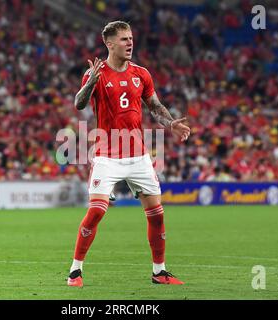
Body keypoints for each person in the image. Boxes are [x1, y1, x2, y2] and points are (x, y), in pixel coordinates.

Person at [68, 21, 191, 287]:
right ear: (109, 44)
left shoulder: (141, 74)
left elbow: (155, 106)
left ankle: (159, 272)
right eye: (123, 39)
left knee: (157, 213)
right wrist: (91, 81)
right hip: (107, 154)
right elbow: (79, 104)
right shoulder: (97, 74)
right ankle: (75, 270)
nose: (129, 43)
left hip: (138, 155)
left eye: (131, 38)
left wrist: (170, 124)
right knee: (97, 212)